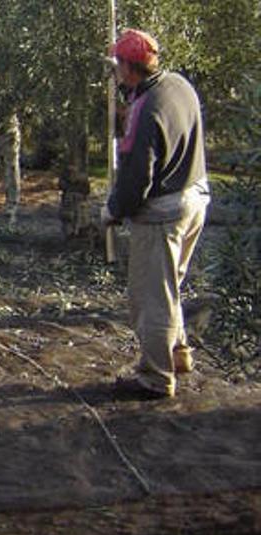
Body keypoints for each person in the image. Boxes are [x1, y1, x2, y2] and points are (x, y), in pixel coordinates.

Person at [101, 28, 210, 400]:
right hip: (194, 197)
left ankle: (155, 377)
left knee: (150, 296)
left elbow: (136, 178)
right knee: (168, 287)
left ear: (130, 67)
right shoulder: (178, 85)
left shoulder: (146, 111)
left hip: (163, 212)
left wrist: (113, 211)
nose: (115, 72)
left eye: (117, 65)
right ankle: (178, 355)